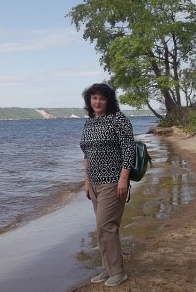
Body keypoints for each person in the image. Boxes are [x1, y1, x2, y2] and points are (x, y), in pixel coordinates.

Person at [80, 83, 135, 287]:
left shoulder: (118, 119)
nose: (97, 102)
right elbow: (87, 155)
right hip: (94, 183)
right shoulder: (89, 123)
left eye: (102, 98)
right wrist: (87, 182)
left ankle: (118, 271)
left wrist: (123, 178)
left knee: (106, 226)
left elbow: (129, 149)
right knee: (101, 227)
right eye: (94, 98)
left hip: (113, 182)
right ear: (89, 100)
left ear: (109, 100)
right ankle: (107, 268)